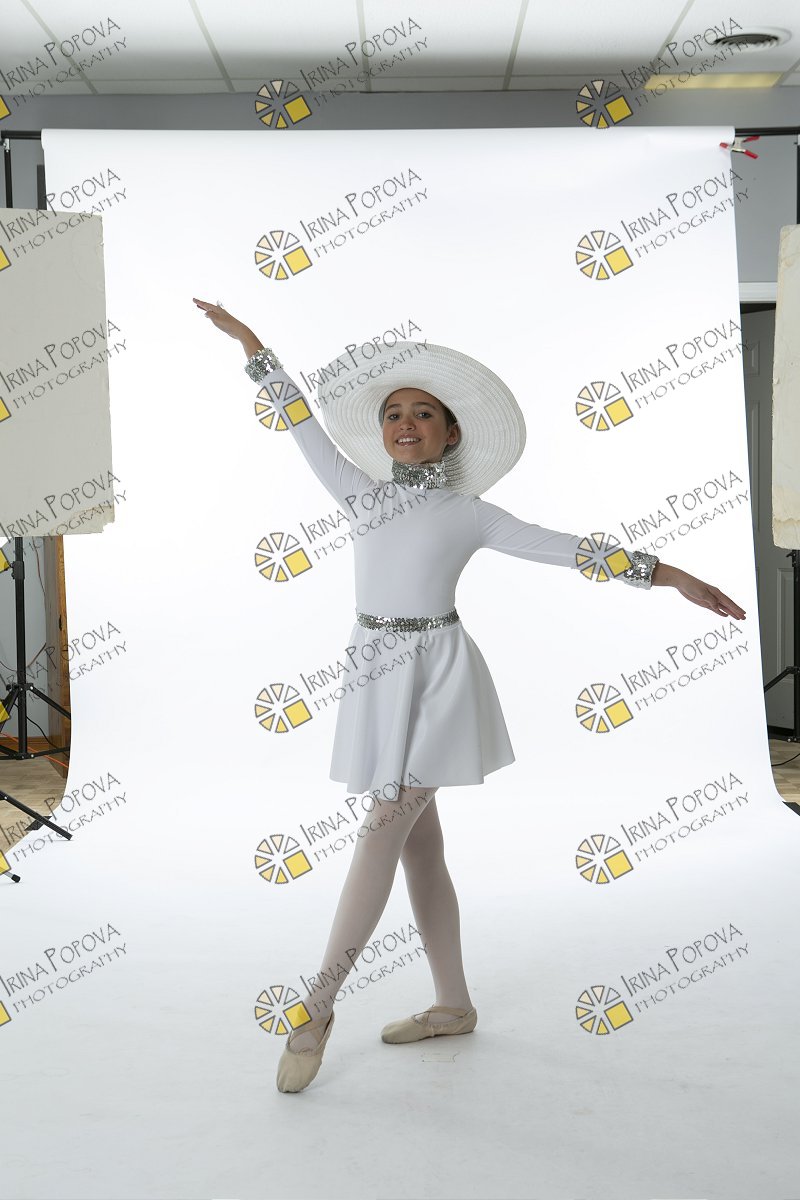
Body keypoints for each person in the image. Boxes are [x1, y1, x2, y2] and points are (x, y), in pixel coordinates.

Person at [193, 298, 747, 1093]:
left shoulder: (471, 514)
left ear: (451, 434)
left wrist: (671, 575)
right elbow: (298, 421)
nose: (406, 423)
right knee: (419, 846)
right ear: (380, 432)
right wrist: (253, 346)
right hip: (376, 672)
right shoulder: (358, 493)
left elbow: (571, 550)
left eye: (424, 413)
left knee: (380, 831)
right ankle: (453, 1005)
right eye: (394, 414)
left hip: (441, 678)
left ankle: (318, 1003)